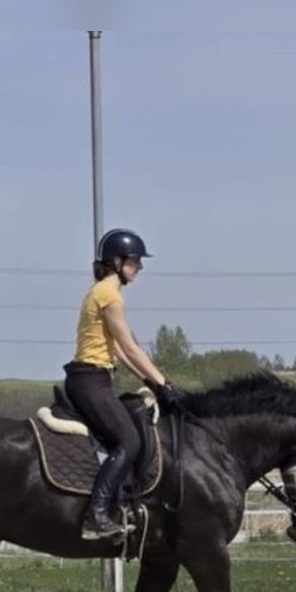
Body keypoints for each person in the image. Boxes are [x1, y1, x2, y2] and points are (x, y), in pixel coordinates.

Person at [64, 228, 181, 540]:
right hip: (90, 380)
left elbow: (118, 349)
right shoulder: (109, 295)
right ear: (117, 261)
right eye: (135, 261)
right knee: (129, 441)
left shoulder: (103, 292)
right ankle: (96, 515)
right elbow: (130, 347)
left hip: (95, 377)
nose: (139, 267)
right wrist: (164, 383)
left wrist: (150, 381)